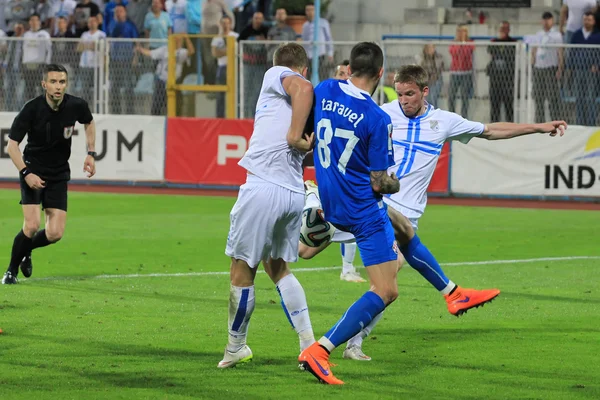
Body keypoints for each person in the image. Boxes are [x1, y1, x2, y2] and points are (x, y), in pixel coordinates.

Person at [299, 64, 567, 367]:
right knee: (308, 253)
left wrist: (538, 126)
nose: (404, 100)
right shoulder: (383, 114)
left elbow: (491, 131)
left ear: (425, 91)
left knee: (387, 278)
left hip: (392, 213)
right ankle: (330, 341)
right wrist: (345, 80)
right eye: (400, 94)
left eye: (410, 94)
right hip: (371, 207)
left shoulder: (444, 122)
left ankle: (342, 342)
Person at [298, 42, 401, 385]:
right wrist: (395, 183)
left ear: (349, 67)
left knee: (304, 252)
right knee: (386, 290)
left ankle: (289, 233)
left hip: (331, 202)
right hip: (362, 211)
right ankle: (320, 349)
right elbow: (379, 182)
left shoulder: (325, 89)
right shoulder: (377, 117)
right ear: (380, 74)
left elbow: (309, 133)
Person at [218, 42, 317, 369]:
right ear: (305, 66)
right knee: (278, 267)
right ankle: (309, 345)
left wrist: (292, 136)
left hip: (263, 187)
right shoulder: (302, 106)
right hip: (291, 192)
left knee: (242, 269)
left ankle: (236, 347)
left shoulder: (280, 74)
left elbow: (303, 86)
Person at [2, 64, 97, 285]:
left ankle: (27, 250)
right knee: (32, 224)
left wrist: (91, 153)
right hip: (33, 170)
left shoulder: (76, 105)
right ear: (44, 84)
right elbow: (12, 146)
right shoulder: (31, 109)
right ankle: (10, 271)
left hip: (59, 173)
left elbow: (89, 122)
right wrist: (26, 173)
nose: (58, 86)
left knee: (55, 233)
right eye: (53, 82)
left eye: (62, 82)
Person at [135, 35, 193, 115]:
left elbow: (191, 51)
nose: (178, 42)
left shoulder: (182, 52)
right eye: (176, 40)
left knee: (176, 106)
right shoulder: (164, 50)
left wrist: (187, 38)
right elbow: (151, 53)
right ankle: (155, 121)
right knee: (156, 105)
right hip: (162, 81)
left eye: (179, 41)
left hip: (175, 81)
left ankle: (174, 122)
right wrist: (140, 49)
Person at [531, 11, 564, 122]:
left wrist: (560, 68)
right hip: (539, 67)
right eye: (544, 19)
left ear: (552, 21)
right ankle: (539, 121)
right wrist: (532, 64)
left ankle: (554, 121)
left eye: (548, 19)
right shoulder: (538, 34)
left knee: (552, 97)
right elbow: (534, 50)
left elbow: (560, 51)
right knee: (538, 96)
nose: (546, 22)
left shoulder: (556, 35)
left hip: (551, 67)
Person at [487, 21, 517, 122]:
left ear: (508, 30)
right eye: (501, 28)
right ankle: (494, 127)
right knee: (494, 106)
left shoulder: (513, 42)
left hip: (508, 80)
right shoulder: (494, 41)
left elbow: (511, 55)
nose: (503, 31)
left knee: (508, 105)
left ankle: (510, 127)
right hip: (495, 79)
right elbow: (491, 52)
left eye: (505, 28)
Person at [211, 15, 238, 118]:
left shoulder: (235, 36)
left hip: (234, 68)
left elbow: (237, 51)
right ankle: (220, 117)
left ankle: (235, 116)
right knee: (220, 95)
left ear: (230, 24)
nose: (225, 25)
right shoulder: (216, 38)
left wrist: (222, 51)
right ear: (220, 25)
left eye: (227, 23)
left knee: (235, 93)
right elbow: (214, 53)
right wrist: (229, 51)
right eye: (223, 23)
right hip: (222, 67)